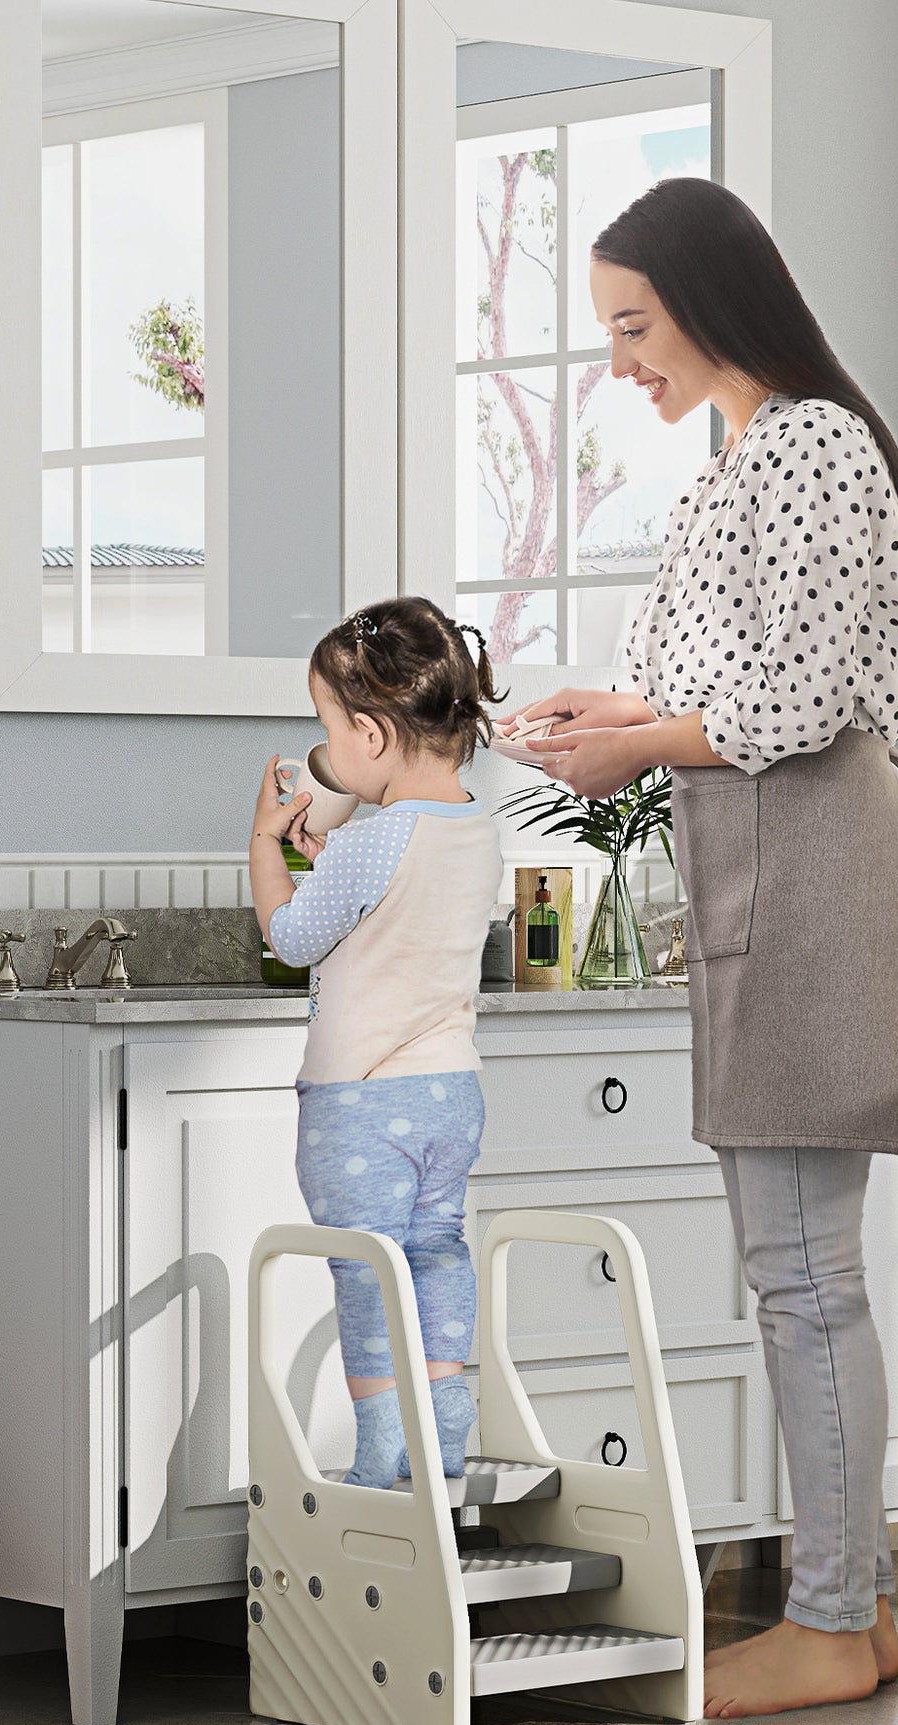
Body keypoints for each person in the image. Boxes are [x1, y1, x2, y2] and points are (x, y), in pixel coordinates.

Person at [510, 176, 898, 1718]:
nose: (620, 360)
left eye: (633, 324)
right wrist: (615, 716)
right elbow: (749, 691)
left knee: (797, 1269)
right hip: (765, 866)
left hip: (807, 867)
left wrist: (633, 751)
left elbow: (791, 707)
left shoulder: (810, 447)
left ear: (712, 300)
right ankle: (858, 1614)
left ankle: (833, 1618)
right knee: (797, 1264)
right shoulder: (749, 459)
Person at [250, 597, 505, 1489]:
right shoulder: (476, 828)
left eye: (327, 725)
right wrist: (335, 856)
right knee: (435, 1252)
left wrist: (265, 844)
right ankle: (444, 1434)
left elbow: (292, 937)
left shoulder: (370, 841)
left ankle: (380, 1456)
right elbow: (395, 913)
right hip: (451, 1095)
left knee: (366, 1273)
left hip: (361, 1106)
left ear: (367, 733)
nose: (324, 745)